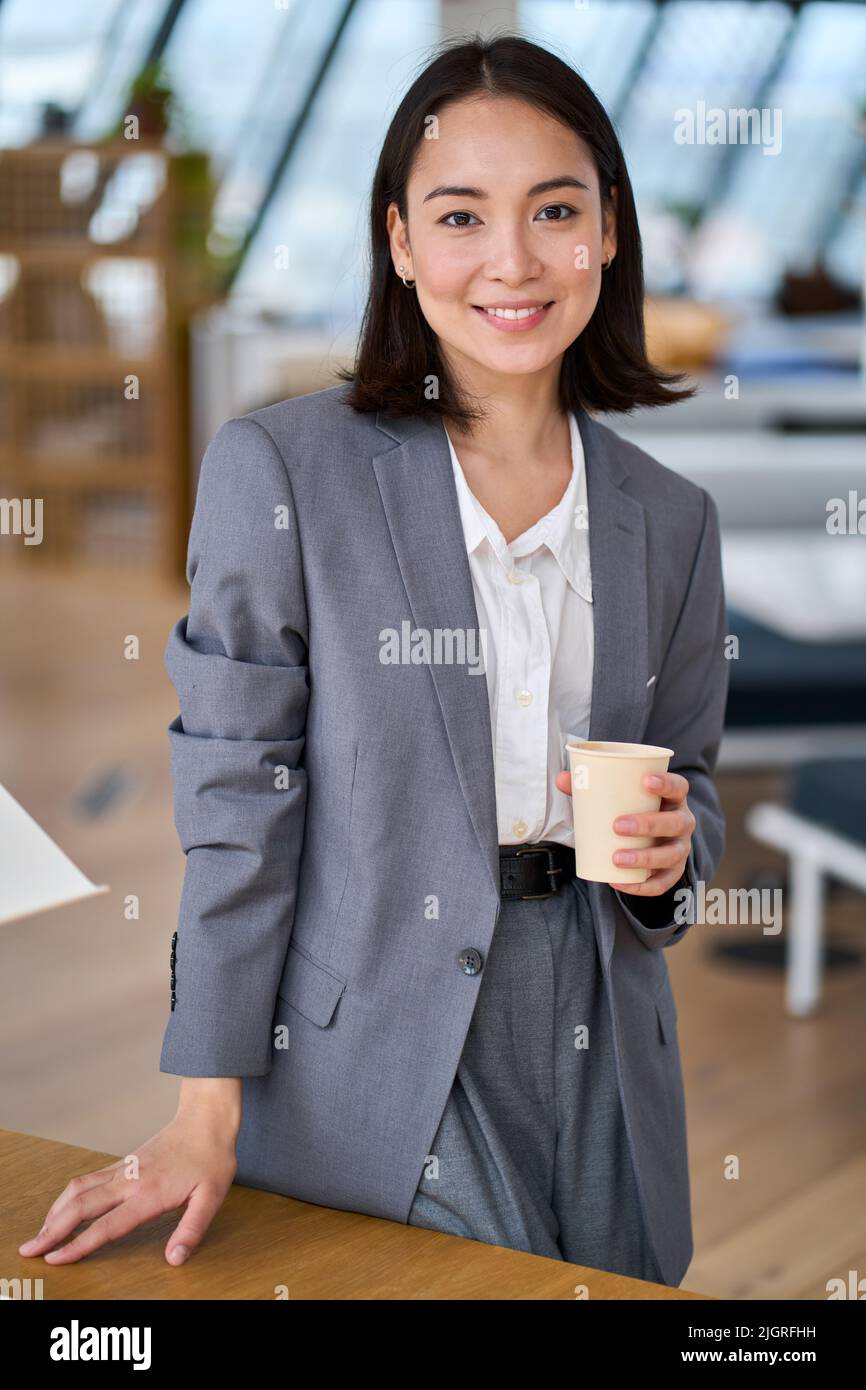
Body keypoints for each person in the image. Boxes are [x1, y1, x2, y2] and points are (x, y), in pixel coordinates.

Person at [19, 33, 728, 1288]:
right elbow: (240, 808)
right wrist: (203, 1109)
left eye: (553, 210)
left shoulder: (668, 520)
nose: (511, 262)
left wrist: (677, 854)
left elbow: (696, 785)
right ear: (399, 242)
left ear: (605, 231)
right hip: (387, 1047)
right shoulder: (285, 472)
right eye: (460, 216)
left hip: (604, 1049)